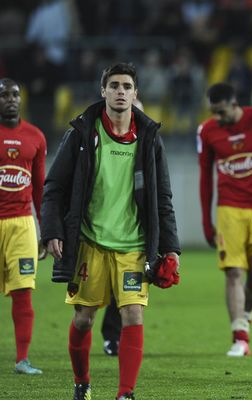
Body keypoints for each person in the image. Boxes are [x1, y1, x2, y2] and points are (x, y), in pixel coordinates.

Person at [41, 62, 180, 400]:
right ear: (103, 91)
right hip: (90, 243)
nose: (120, 91)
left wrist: (171, 248)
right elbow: (55, 187)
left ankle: (125, 393)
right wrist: (52, 231)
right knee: (84, 319)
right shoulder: (82, 133)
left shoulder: (148, 138)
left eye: (127, 86)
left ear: (136, 94)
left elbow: (162, 196)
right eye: (114, 85)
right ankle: (82, 382)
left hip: (133, 246)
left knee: (132, 314)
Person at [197, 82, 252, 357]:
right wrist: (207, 220)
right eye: (213, 112)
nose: (217, 118)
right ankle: (240, 336)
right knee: (233, 272)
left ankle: (247, 315)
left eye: (221, 112)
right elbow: (205, 177)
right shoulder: (206, 131)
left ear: (234, 103)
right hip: (228, 210)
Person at [0, 78, 46, 375]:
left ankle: (22, 359)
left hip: (22, 226)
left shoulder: (36, 137)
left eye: (15, 94)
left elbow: (41, 187)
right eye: (4, 95)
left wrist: (46, 230)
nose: (10, 99)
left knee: (23, 291)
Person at [101, 98, 145, 358]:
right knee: (90, 305)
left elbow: (159, 195)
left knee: (130, 299)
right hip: (99, 231)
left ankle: (114, 338)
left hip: (133, 234)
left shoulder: (148, 146)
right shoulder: (101, 144)